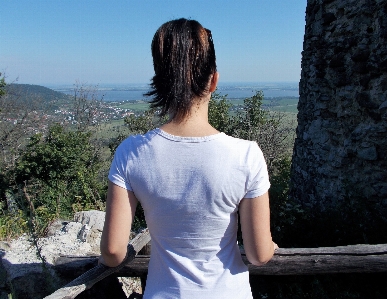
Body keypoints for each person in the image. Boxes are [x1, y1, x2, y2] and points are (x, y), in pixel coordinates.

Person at [100, 18, 276, 299]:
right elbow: (258, 254)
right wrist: (271, 247)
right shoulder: (247, 155)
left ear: (160, 81)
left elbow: (112, 251)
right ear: (214, 80)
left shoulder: (131, 153)